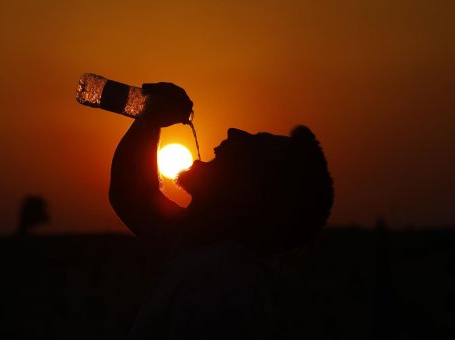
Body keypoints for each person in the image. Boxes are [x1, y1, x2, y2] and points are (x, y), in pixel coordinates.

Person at [109, 82, 333, 339]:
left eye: (253, 146)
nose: (233, 132)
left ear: (249, 193)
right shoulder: (195, 243)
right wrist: (150, 117)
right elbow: (131, 194)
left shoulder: (225, 285)